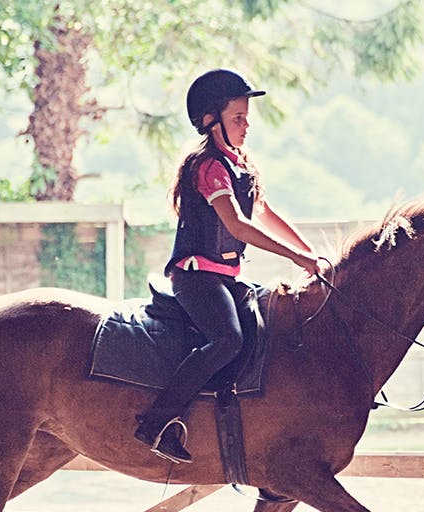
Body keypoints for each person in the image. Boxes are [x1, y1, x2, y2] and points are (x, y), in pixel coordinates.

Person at [133, 69, 329, 463]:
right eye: (238, 118)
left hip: (225, 278)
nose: (246, 125)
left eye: (246, 117)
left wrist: (314, 256)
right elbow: (238, 224)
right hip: (196, 279)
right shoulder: (208, 167)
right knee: (227, 340)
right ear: (211, 121)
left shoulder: (240, 163)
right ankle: (155, 423)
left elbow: (265, 213)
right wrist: (295, 258)